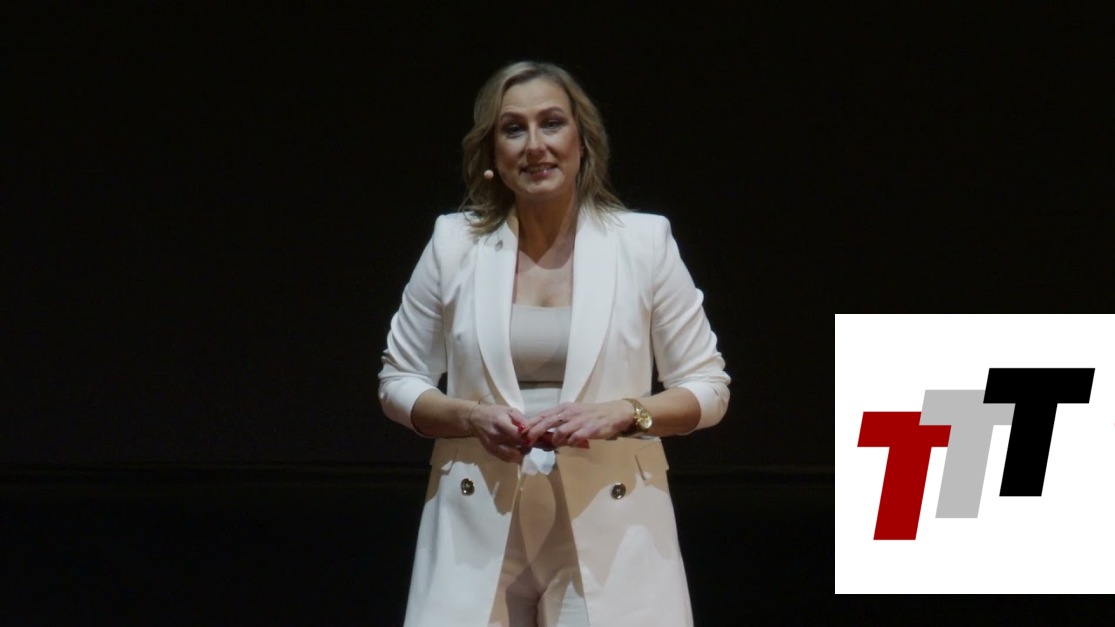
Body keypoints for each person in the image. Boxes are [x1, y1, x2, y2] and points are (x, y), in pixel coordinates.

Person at [378, 60, 730, 627]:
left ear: (582, 141)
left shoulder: (643, 243)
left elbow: (708, 387)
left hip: (613, 527)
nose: (535, 145)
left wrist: (625, 413)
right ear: (493, 153)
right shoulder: (453, 244)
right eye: (513, 129)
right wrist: (470, 417)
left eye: (551, 123)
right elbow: (399, 381)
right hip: (474, 523)